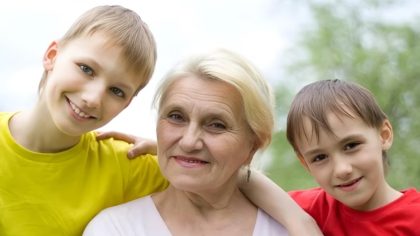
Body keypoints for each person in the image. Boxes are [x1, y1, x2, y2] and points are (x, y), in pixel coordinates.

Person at [83, 49, 305, 235]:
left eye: (216, 125)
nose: (189, 142)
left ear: (253, 144)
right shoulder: (116, 229)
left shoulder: (285, 230)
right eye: (176, 117)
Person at [0, 5, 168, 236]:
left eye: (117, 91)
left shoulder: (126, 164)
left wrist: (171, 152)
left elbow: (230, 176)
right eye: (86, 69)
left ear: (127, 103)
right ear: (52, 56)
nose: (93, 99)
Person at [254, 79, 420, 235]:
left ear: (384, 135)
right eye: (319, 157)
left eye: (351, 146)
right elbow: (243, 180)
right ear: (305, 163)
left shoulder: (415, 218)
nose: (342, 169)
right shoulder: (312, 208)